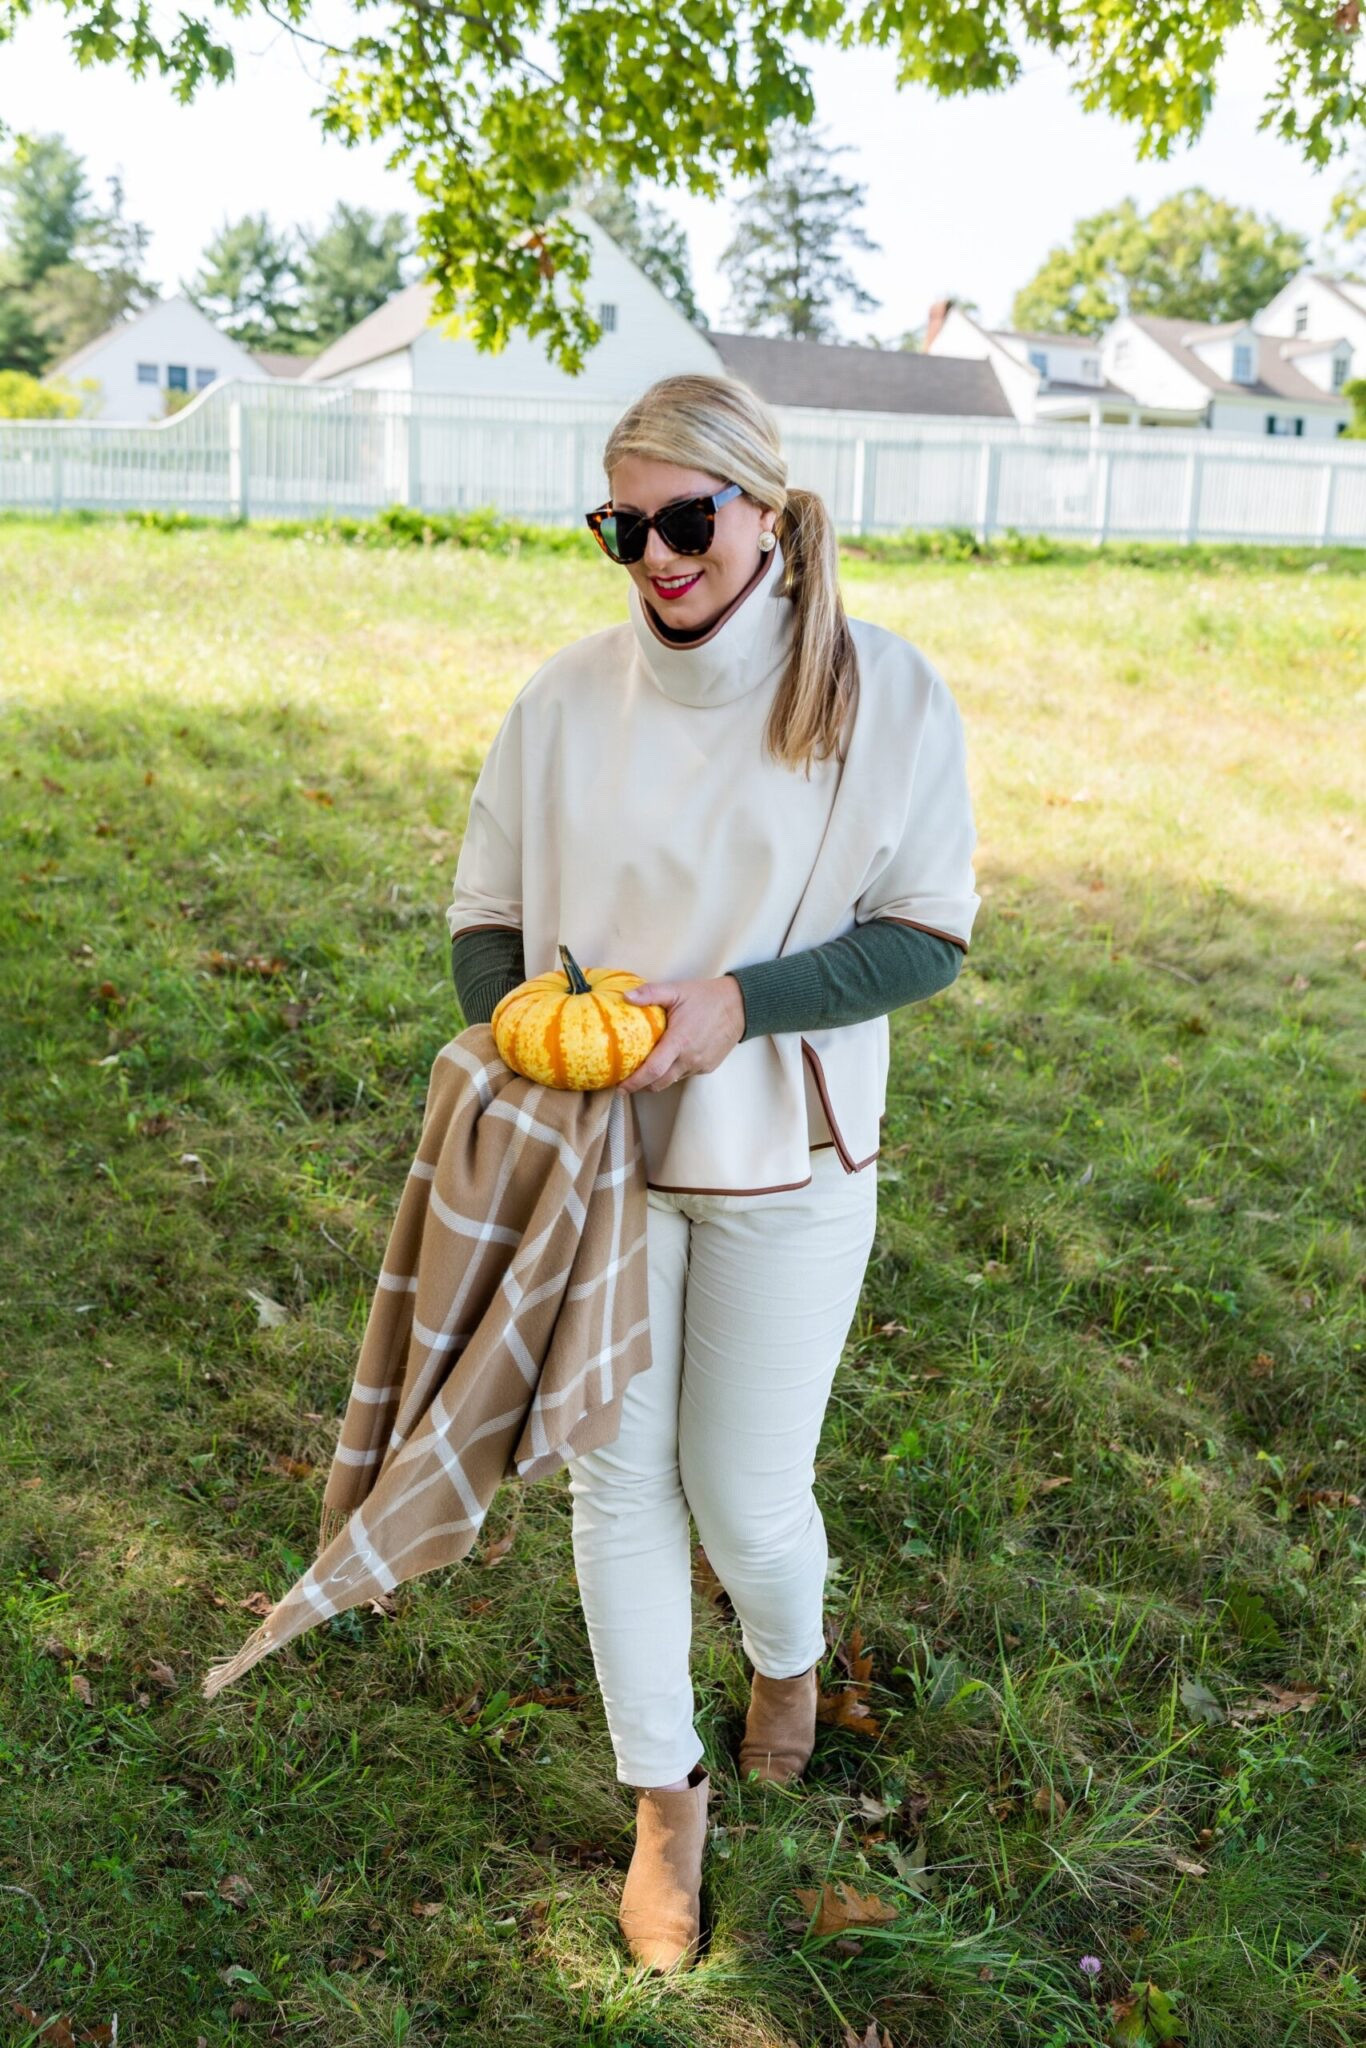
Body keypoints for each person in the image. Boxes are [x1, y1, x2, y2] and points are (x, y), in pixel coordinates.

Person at [447, 372, 980, 1973]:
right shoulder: (562, 700)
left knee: (744, 1493)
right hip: (598, 1154)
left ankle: (787, 1656)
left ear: (766, 511)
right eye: (624, 528)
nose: (658, 558)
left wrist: (737, 1006)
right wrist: (531, 1037)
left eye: (686, 520)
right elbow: (485, 917)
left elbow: (924, 933)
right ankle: (663, 1808)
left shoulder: (883, 692)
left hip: (785, 1154)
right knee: (613, 1482)